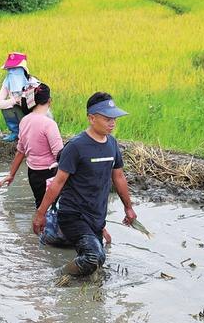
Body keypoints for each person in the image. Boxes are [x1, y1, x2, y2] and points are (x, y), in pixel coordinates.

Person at [32, 92, 137, 277]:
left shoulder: (112, 144)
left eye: (114, 119)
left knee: (97, 262)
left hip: (96, 217)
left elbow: (119, 177)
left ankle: (72, 279)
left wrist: (128, 208)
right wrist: (40, 214)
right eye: (107, 119)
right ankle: (56, 279)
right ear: (91, 118)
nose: (112, 123)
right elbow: (58, 182)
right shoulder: (76, 146)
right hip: (73, 215)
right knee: (93, 257)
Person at [0, 83, 63, 208]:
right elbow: (60, 155)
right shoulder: (49, 124)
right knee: (52, 209)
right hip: (50, 174)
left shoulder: (24, 121)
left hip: (33, 174)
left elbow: (20, 151)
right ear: (49, 101)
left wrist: (11, 174)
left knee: (41, 205)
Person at [0, 52, 40, 142]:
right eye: (9, 69)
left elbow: (39, 108)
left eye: (15, 69)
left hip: (32, 115)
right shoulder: (8, 82)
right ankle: (15, 132)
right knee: (7, 107)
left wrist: (24, 100)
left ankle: (30, 133)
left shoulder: (33, 83)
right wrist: (14, 100)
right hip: (19, 111)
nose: (11, 72)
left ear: (23, 69)